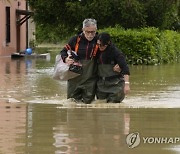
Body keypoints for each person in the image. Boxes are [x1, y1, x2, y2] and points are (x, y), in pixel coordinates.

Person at [60, 18, 98, 104]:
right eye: (88, 32)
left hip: (90, 79)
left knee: (89, 104)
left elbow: (113, 53)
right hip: (74, 77)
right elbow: (63, 51)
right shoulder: (75, 40)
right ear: (83, 30)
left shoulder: (99, 41)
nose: (90, 35)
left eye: (93, 32)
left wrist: (117, 63)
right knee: (72, 103)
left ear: (96, 30)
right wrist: (66, 59)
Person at [96, 32, 130, 103]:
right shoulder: (96, 51)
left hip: (115, 85)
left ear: (108, 43)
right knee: (100, 105)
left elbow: (125, 69)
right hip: (101, 85)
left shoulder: (116, 52)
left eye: (102, 45)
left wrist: (127, 85)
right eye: (98, 44)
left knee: (114, 107)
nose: (100, 47)